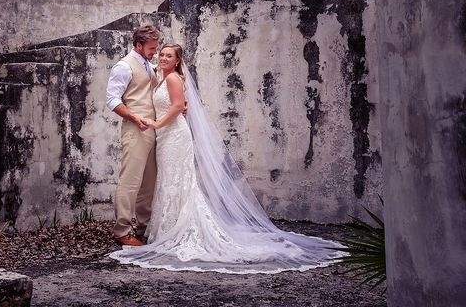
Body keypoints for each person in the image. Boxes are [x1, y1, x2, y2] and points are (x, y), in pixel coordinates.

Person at [109, 43, 344, 274]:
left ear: (178, 60)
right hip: (165, 137)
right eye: (161, 54)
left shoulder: (171, 78)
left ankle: (180, 228)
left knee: (178, 181)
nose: (162, 58)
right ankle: (166, 228)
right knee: (170, 181)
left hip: (174, 135)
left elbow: (177, 106)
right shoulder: (160, 76)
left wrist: (157, 123)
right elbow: (177, 103)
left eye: (168, 56)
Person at [105, 24, 161, 246]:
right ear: (138, 45)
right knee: (130, 181)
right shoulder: (123, 67)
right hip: (135, 129)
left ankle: (142, 228)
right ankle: (122, 231)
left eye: (156, 48)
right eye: (151, 48)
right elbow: (112, 100)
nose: (155, 52)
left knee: (149, 183)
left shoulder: (148, 64)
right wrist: (134, 118)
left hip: (152, 129)